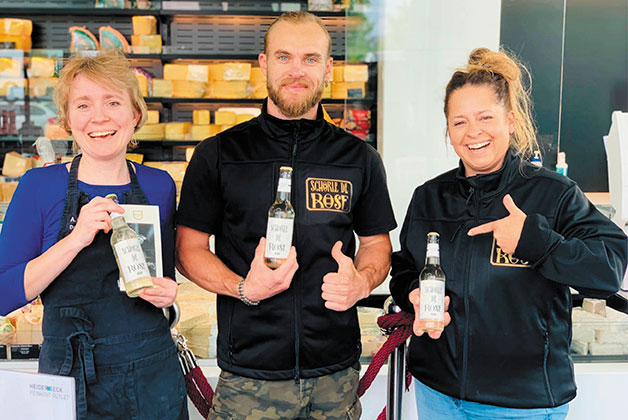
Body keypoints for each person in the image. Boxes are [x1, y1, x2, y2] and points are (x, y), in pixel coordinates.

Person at [176, 11, 397, 420]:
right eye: (284, 57)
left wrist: (361, 282)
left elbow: (376, 245)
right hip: (248, 377)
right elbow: (188, 250)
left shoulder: (358, 158)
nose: (297, 71)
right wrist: (243, 287)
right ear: (263, 63)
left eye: (311, 59)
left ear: (328, 68)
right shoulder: (219, 154)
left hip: (336, 377)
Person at [390, 47, 627, 420]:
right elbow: (404, 267)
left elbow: (608, 271)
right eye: (460, 122)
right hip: (437, 391)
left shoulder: (553, 194)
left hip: (522, 403)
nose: (474, 132)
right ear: (448, 130)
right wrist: (412, 294)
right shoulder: (429, 198)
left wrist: (538, 242)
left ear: (511, 121)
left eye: (486, 117)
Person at [0, 50, 188, 420]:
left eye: (113, 102)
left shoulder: (160, 186)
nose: (99, 117)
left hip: (153, 374)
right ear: (68, 120)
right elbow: (3, 293)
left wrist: (168, 294)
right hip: (70, 376)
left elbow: (160, 277)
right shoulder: (39, 186)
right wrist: (76, 237)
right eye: (83, 105)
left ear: (135, 115)